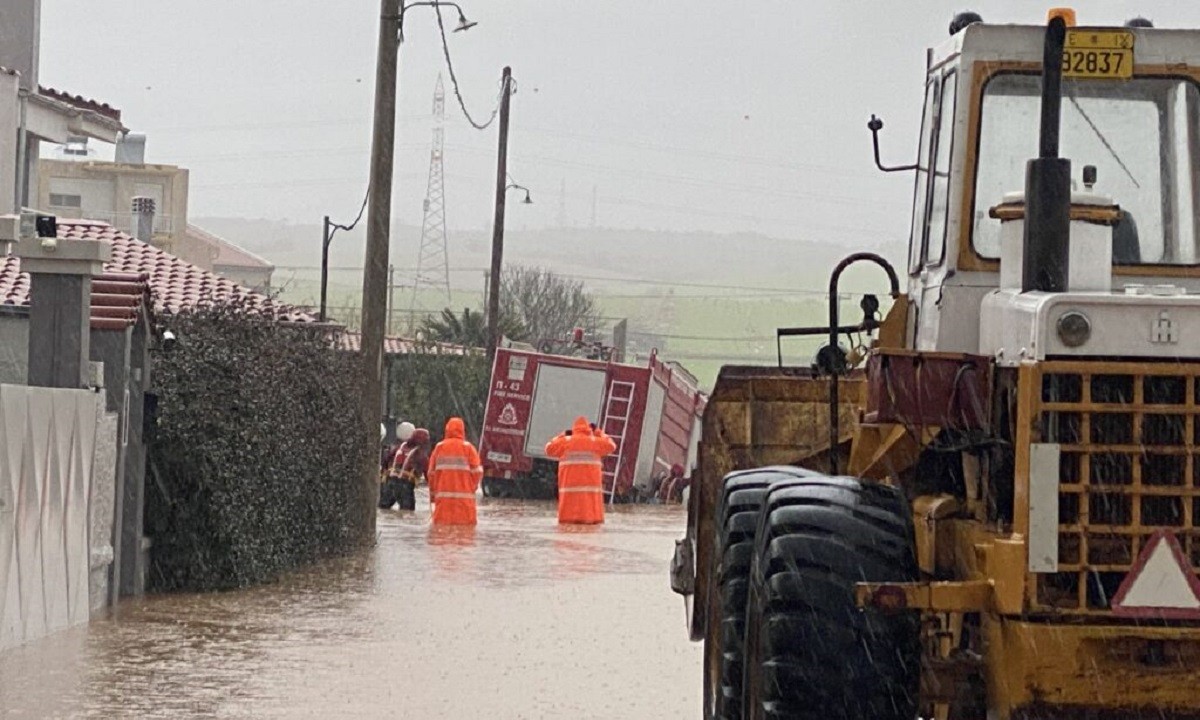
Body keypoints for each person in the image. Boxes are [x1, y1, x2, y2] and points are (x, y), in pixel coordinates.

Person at [545, 416, 616, 525]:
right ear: (588, 429)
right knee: (590, 536)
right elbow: (612, 445)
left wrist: (563, 434)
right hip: (591, 512)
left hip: (568, 510)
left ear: (574, 429)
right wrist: (598, 432)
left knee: (566, 535)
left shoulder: (565, 442)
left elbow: (548, 448)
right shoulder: (594, 442)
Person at [427, 417, 483, 525]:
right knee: (465, 537)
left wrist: (433, 496)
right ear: (463, 430)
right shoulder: (469, 448)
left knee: (441, 537)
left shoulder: (439, 447)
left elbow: (431, 474)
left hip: (443, 507)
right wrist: (469, 487)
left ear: (447, 430)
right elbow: (477, 473)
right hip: (465, 507)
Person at [382, 428, 430, 511]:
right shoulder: (421, 455)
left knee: (383, 509)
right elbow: (428, 475)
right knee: (408, 513)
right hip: (405, 487)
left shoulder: (399, 448)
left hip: (389, 483)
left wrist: (383, 473)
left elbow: (386, 459)